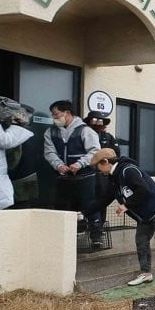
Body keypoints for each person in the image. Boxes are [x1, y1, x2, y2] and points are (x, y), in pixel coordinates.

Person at [89, 148, 155, 289]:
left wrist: (126, 205)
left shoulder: (128, 170)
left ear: (105, 161)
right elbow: (104, 200)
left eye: (98, 167)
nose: (99, 171)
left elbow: (143, 190)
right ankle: (146, 273)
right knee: (141, 241)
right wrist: (84, 213)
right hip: (144, 215)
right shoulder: (113, 179)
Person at [44, 100, 105, 248]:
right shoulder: (50, 132)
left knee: (90, 206)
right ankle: (64, 239)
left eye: (56, 114)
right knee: (63, 208)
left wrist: (79, 164)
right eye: (52, 115)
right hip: (63, 177)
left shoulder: (85, 130)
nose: (54, 117)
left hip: (85, 177)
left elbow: (95, 151)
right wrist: (58, 165)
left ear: (67, 113)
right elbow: (49, 152)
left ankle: (96, 237)